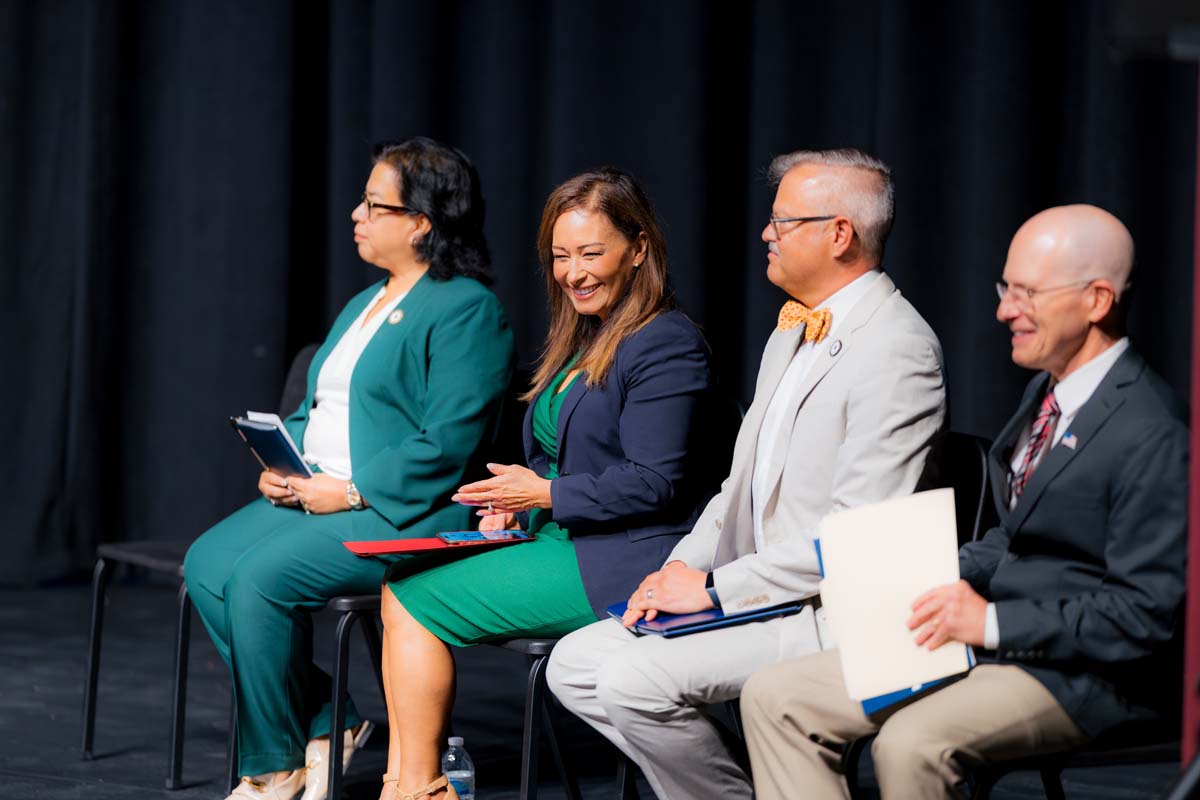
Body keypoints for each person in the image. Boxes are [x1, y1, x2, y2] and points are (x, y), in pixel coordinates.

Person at [742, 204, 1188, 800]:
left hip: (1084, 674)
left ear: (1097, 300)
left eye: (1027, 293)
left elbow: (1141, 616)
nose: (1005, 310)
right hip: (991, 640)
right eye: (1006, 288)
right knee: (776, 697)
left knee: (911, 744)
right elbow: (1016, 535)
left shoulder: (1153, 430)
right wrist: (922, 578)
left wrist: (993, 622)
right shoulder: (1046, 392)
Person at [546, 148, 947, 799]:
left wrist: (714, 589)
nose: (767, 232)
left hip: (834, 611)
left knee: (629, 680)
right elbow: (738, 488)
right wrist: (681, 565)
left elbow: (854, 543)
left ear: (838, 234)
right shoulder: (791, 332)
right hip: (762, 591)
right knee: (575, 664)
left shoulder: (897, 348)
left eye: (784, 221)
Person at [183, 137, 515, 800]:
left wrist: (354, 489)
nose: (356, 215)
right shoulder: (364, 302)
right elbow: (318, 407)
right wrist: (284, 463)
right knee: (207, 565)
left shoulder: (467, 310)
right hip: (322, 492)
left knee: (260, 580)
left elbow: (447, 442)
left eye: (375, 204)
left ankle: (272, 768)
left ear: (422, 221)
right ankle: (331, 719)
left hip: (406, 506)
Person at [374, 167, 717, 800]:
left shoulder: (665, 343)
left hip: (627, 557)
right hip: (564, 536)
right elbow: (568, 457)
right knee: (401, 580)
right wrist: (519, 495)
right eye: (561, 256)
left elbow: (654, 482)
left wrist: (544, 496)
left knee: (411, 600)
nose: (573, 272)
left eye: (592, 253)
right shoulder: (586, 333)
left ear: (638, 249)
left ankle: (416, 789)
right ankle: (408, 782)